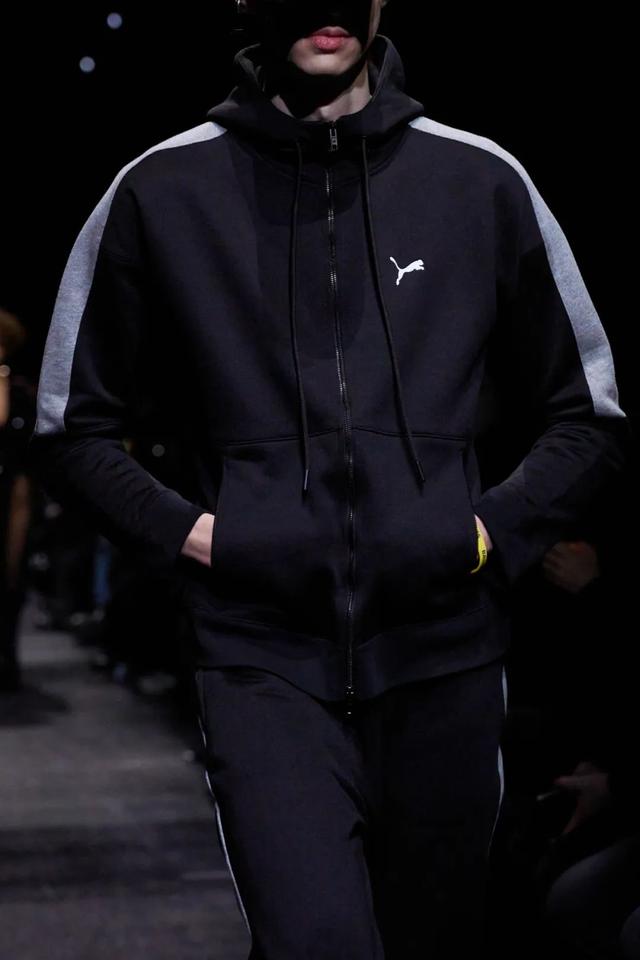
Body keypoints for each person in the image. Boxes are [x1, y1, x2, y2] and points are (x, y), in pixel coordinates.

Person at [28, 1, 631, 956]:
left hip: (445, 657)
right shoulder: (163, 187)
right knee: (316, 940)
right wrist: (211, 539)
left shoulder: (478, 179)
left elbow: (588, 415)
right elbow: (71, 428)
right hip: (260, 657)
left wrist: (480, 535)